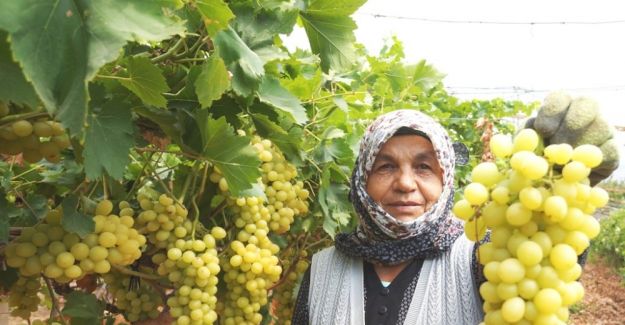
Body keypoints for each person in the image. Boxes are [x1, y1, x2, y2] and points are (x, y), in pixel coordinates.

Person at [291, 98, 620, 324]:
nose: (405, 183)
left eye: (424, 167)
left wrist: (551, 179)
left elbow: (537, 265)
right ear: (361, 179)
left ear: (446, 178)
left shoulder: (482, 257)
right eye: (385, 167)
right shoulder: (320, 269)